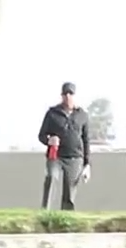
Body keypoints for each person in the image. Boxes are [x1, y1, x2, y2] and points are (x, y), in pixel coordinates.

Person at [37, 82, 91, 210]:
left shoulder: (82, 115)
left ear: (74, 96)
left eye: (70, 94)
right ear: (61, 96)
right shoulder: (52, 113)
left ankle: (66, 215)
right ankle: (46, 211)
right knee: (51, 177)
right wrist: (49, 140)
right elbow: (41, 135)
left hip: (75, 157)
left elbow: (86, 140)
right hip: (56, 156)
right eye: (65, 94)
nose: (68, 96)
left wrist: (87, 164)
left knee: (70, 190)